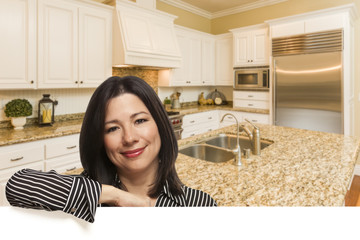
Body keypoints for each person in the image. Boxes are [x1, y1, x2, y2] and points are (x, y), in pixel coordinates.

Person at [5, 76, 217, 223]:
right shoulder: (87, 197)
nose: (129, 138)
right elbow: (17, 185)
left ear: (161, 125)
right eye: (113, 128)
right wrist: (115, 196)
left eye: (140, 120)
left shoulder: (199, 205)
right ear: (100, 139)